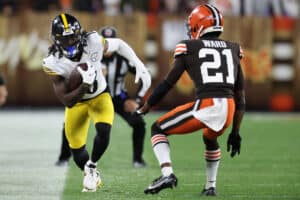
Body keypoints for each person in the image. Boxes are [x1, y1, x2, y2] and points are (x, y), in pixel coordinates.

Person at [137, 4, 245, 196]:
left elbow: (168, 82)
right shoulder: (234, 48)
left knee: (157, 129)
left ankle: (167, 173)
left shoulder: (189, 47)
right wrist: (235, 131)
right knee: (210, 138)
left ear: (199, 25)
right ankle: (210, 187)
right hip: (229, 108)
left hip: (207, 105)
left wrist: (148, 105)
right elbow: (240, 96)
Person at [42, 13, 151, 192]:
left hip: (100, 96)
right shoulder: (52, 62)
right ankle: (91, 173)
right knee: (76, 151)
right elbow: (66, 101)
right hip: (76, 103)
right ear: (56, 39)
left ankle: (92, 166)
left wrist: (137, 63)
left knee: (104, 130)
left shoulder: (92, 41)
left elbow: (119, 44)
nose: (70, 42)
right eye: (65, 38)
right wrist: (84, 85)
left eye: (73, 37)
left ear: (80, 34)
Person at [55, 26, 148, 168]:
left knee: (139, 122)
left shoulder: (123, 59)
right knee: (69, 125)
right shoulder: (90, 53)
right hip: (94, 96)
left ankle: (138, 159)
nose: (107, 48)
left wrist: (136, 100)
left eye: (110, 42)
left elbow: (144, 76)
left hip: (118, 98)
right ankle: (64, 158)